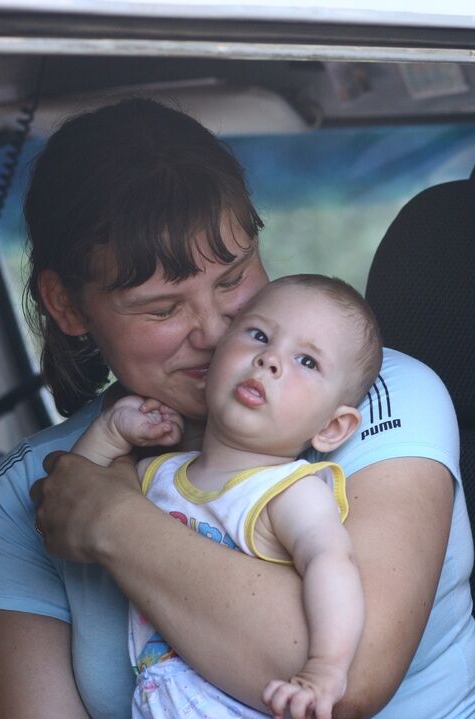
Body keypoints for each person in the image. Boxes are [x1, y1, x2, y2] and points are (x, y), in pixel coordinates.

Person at [0, 98, 475, 719]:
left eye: (232, 278)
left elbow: (349, 683)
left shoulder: (376, 400)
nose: (216, 332)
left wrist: (111, 519)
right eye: (162, 309)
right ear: (67, 305)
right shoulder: (33, 484)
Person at [74, 274, 383, 719]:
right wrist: (110, 433)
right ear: (215, 358)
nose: (270, 359)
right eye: (258, 335)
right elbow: (75, 504)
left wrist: (325, 668)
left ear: (332, 428)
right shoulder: (158, 473)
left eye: (307, 362)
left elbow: (331, 565)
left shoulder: (287, 491)